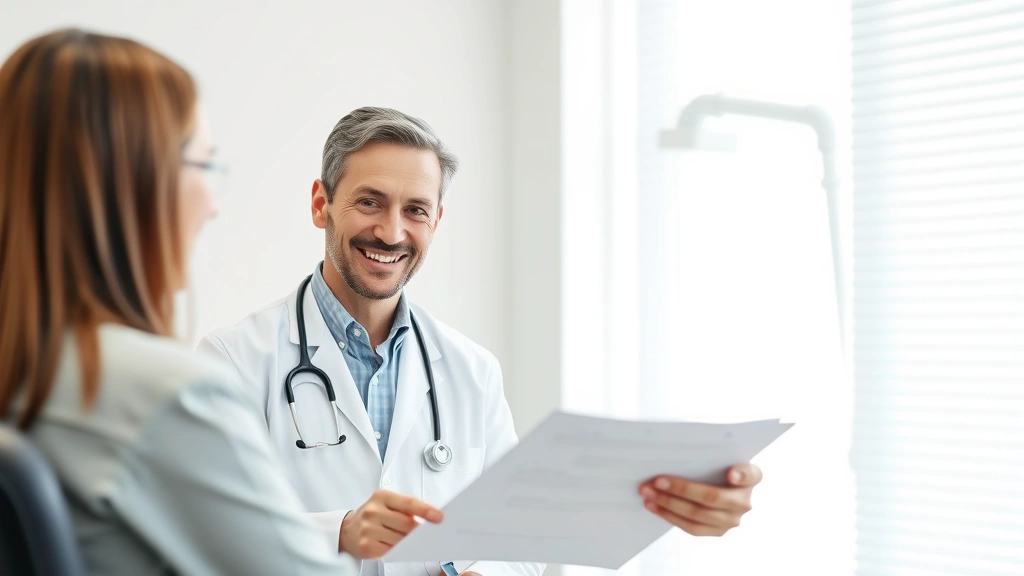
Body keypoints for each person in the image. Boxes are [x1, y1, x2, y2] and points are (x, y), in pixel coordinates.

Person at [198, 107, 764, 576]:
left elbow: (518, 537)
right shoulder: (234, 362)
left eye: (415, 210)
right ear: (322, 203)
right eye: (370, 201)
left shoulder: (471, 371)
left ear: (436, 221)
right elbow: (194, 532)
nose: (392, 232)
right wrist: (340, 533)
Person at [0, 29, 359, 576]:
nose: (214, 206)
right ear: (134, 183)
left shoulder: (27, 373)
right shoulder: (160, 395)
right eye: (205, 166)